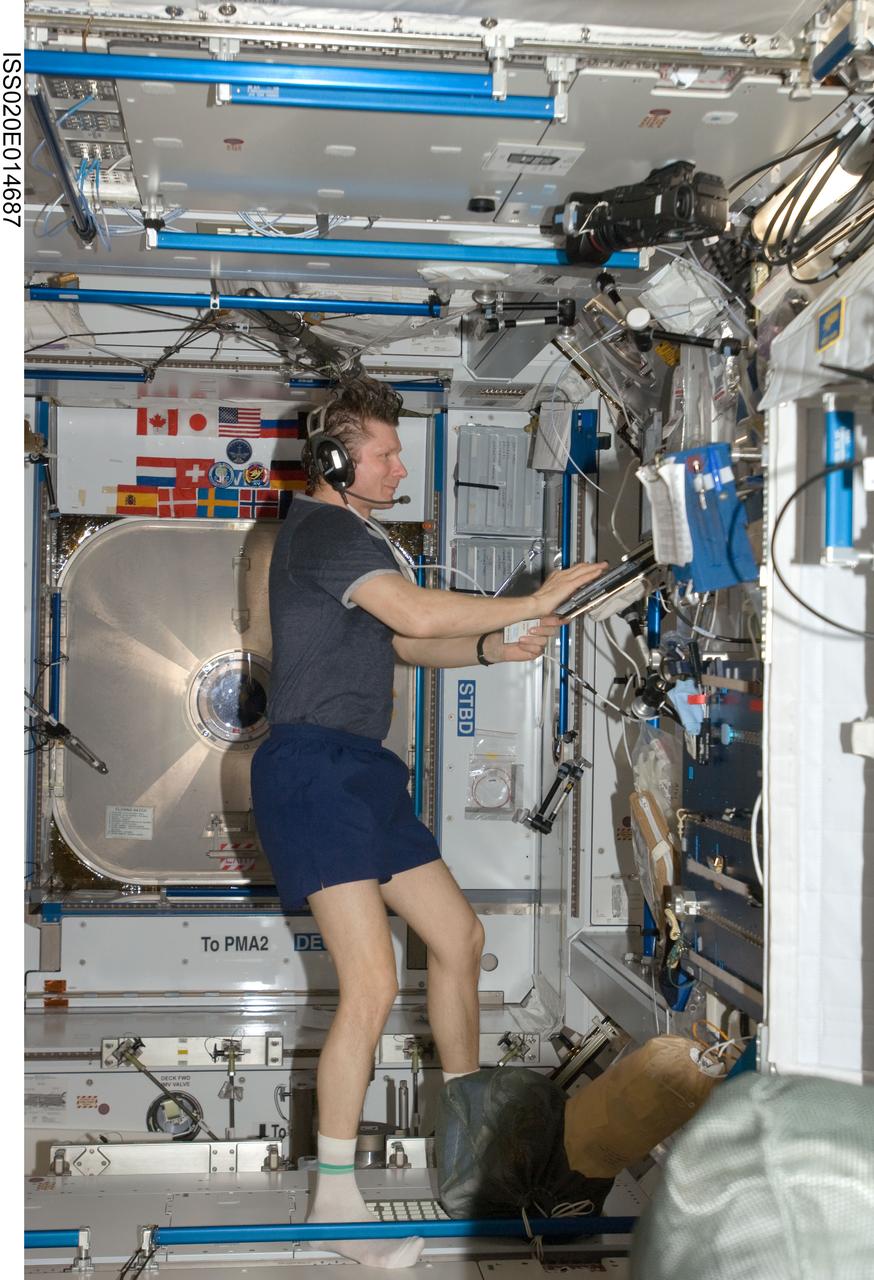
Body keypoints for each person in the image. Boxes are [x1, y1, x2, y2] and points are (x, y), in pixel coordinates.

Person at [251, 377, 606, 1269]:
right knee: (369, 987)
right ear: (337, 463)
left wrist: (493, 645)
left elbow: (402, 643)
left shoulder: (358, 538)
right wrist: (528, 601)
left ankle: (468, 1144)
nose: (400, 465)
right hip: (312, 771)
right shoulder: (326, 531)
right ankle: (333, 1203)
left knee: (459, 934)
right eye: (385, 453)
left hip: (361, 773)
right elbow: (411, 615)